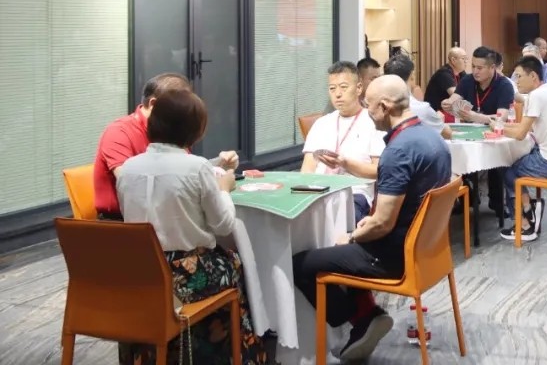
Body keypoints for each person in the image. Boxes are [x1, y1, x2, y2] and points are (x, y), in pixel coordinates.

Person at [293, 75, 451, 362]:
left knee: (300, 264)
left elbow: (383, 224)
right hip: (428, 251)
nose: (367, 112)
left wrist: (352, 236)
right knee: (347, 239)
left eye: (369, 106)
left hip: (393, 256)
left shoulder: (397, 151)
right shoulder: (431, 138)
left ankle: (360, 318)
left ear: (385, 107)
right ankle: (366, 315)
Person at [116, 90, 266, 365]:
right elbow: (223, 224)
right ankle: (239, 356)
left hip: (136, 273)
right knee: (235, 263)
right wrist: (224, 189)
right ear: (196, 131)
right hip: (184, 274)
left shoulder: (127, 169)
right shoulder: (196, 168)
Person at [94, 72, 238, 220]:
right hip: (124, 221)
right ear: (153, 104)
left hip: (162, 214)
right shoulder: (118, 132)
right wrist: (221, 188)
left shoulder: (171, 130)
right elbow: (135, 186)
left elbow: (180, 171)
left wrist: (217, 165)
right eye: (179, 106)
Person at [500, 56, 547, 242]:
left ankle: (525, 225)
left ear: (533, 76)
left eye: (519, 76)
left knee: (508, 171)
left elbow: (520, 134)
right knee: (518, 160)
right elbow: (524, 129)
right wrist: (498, 125)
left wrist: (498, 128)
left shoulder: (536, 96)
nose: (516, 81)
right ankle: (529, 208)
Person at [302, 61, 384, 219]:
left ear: (359, 88)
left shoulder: (374, 123)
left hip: (353, 193)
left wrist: (345, 164)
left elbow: (378, 171)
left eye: (343, 87)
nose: (337, 94)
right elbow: (307, 170)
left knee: (336, 220)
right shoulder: (321, 123)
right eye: (332, 88)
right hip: (318, 192)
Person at [442, 46, 516, 213]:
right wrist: (448, 103)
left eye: (480, 68)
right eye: (473, 66)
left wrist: (476, 116)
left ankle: (497, 203)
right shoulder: (467, 81)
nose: (475, 71)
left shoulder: (504, 85)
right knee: (458, 156)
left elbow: (501, 118)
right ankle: (466, 199)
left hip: (494, 133)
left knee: (497, 161)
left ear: (492, 67)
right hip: (469, 130)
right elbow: (454, 99)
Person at [384, 55, 451, 138]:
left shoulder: (379, 107)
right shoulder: (422, 108)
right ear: (412, 76)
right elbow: (447, 134)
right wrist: (439, 120)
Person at [422, 47, 467, 116]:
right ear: (453, 60)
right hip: (435, 114)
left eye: (466, 58)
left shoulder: (461, 73)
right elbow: (456, 96)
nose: (466, 61)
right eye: (463, 58)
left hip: (450, 113)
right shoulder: (444, 73)